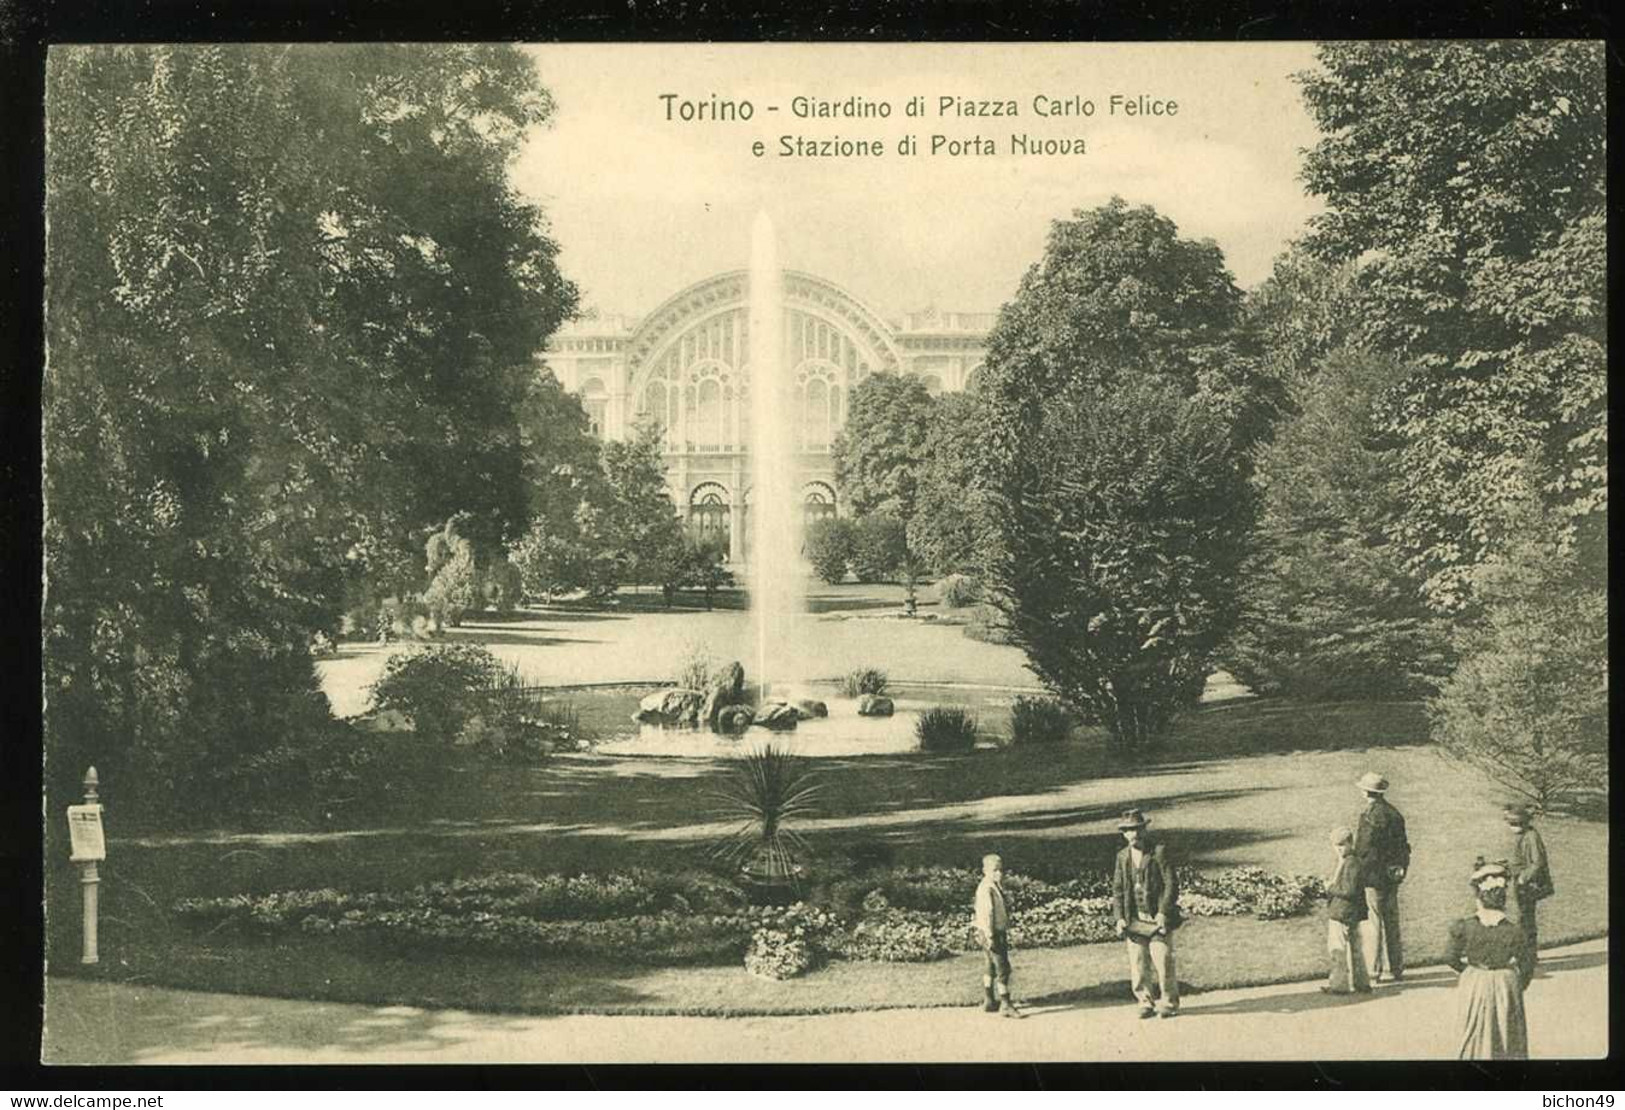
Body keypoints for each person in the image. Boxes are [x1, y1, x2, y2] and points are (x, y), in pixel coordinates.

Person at [1445, 858, 1528, 1059]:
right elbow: (1526, 964)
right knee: (1507, 1032)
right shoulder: (1514, 930)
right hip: (1505, 984)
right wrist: (1514, 982)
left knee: (1472, 1030)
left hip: (1475, 981)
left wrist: (1468, 972)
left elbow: (1449, 957)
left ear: (1479, 897)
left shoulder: (1465, 926)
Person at [1111, 808, 1180, 1019]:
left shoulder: (1158, 852)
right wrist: (1120, 917)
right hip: (1135, 919)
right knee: (1139, 964)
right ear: (1124, 834)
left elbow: (1171, 884)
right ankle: (1145, 1002)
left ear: (1144, 830)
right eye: (1129, 831)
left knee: (1163, 960)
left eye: (1137, 830)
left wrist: (1163, 912)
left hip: (1157, 918)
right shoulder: (1122, 857)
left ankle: (1169, 1002)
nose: (1134, 835)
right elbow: (1119, 890)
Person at [1353, 772, 1410, 982]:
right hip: (1392, 875)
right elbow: (1403, 847)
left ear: (1366, 792)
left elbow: (1364, 849)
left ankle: (1373, 969)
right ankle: (1395, 967)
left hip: (1374, 876)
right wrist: (1400, 868)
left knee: (1374, 922)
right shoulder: (1394, 814)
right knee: (1391, 921)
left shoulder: (1369, 816)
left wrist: (1358, 872)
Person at [1504, 804, 1553, 987]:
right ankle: (1528, 954)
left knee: (1526, 920)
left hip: (1528, 885)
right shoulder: (1524, 835)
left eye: (1515, 823)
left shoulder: (1532, 837)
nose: (1512, 827)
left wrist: (1524, 877)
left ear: (1523, 823)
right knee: (1524, 918)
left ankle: (1528, 955)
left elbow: (1537, 862)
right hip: (1522, 882)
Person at [1322, 826, 1371, 995]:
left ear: (1350, 843)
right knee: (1357, 948)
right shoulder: (1351, 861)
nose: (1338, 849)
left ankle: (1339, 984)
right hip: (1352, 912)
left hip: (1342, 911)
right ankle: (1362, 983)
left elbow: (1349, 890)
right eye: (1336, 845)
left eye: (1342, 845)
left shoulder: (1351, 863)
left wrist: (1330, 888)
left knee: (1338, 949)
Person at [973, 853, 1023, 1018]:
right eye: (994, 870)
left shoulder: (991, 885)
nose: (999, 874)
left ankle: (989, 999)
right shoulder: (987, 888)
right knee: (1003, 968)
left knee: (990, 965)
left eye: (1001, 870)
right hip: (993, 933)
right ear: (985, 870)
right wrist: (990, 935)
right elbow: (987, 914)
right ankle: (1006, 1004)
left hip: (986, 932)